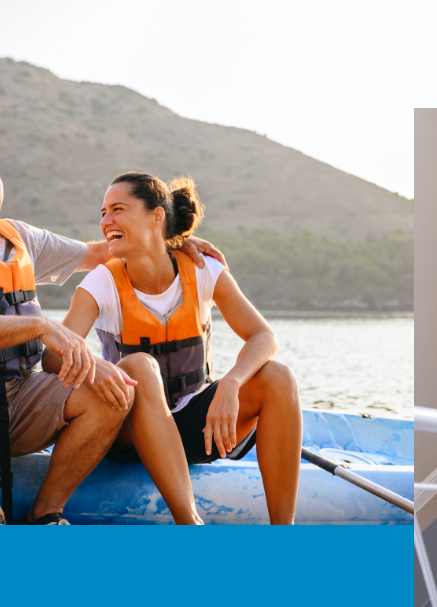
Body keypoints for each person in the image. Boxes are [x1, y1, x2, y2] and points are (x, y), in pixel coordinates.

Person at [0, 135, 222, 524]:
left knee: (111, 390)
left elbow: (102, 253)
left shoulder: (19, 238)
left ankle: (45, 513)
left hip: (14, 400)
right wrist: (40, 327)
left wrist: (167, 241)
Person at [58, 172, 304, 525]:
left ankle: (284, 534)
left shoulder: (202, 268)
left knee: (278, 376)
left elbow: (264, 337)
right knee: (140, 365)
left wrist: (231, 384)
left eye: (118, 209)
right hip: (127, 435)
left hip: (196, 429)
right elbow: (54, 356)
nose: (105, 221)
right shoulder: (101, 282)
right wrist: (101, 372)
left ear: (156, 217)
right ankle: (190, 524)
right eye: (103, 212)